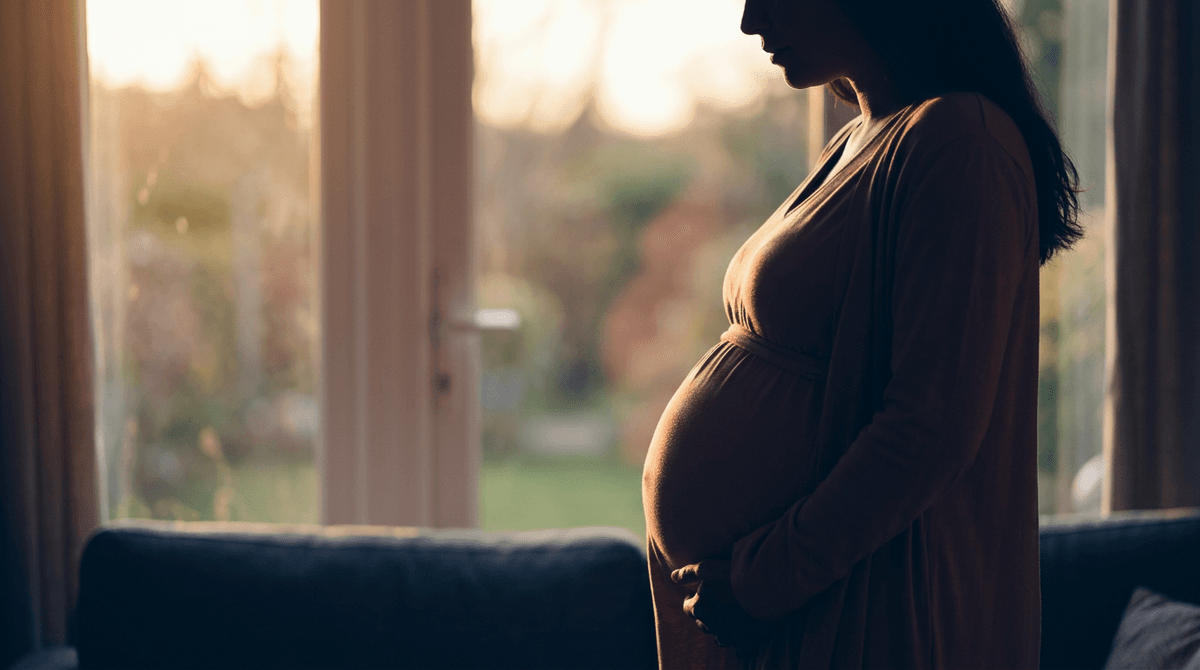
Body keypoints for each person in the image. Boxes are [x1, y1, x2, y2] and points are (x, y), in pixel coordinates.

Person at [640, 0, 1083, 667]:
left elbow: (930, 429)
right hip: (786, 612)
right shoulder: (861, 136)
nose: (750, 22)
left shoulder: (963, 141)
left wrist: (763, 580)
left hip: (856, 610)